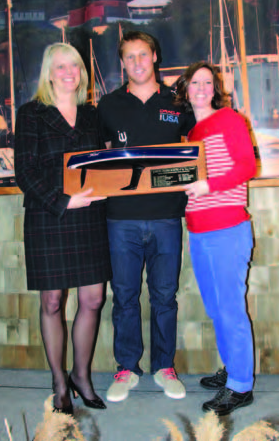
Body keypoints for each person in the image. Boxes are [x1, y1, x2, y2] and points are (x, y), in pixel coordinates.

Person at [97, 31, 195, 402]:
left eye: (143, 54)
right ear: (122, 63)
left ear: (154, 56)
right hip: (120, 218)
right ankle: (126, 368)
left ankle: (164, 366)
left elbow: (195, 152)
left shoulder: (177, 102)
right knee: (123, 296)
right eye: (129, 57)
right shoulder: (107, 106)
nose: (137, 62)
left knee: (165, 296)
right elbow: (102, 157)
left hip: (168, 216)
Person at [14, 43, 112, 414]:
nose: (69, 71)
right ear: (48, 72)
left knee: (93, 300)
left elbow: (104, 162)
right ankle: (59, 382)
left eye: (74, 65)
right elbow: (25, 172)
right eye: (60, 66)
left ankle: (81, 375)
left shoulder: (92, 114)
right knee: (52, 302)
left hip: (89, 219)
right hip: (49, 216)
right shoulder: (31, 114)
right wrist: (64, 200)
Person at [175, 61, 256, 416]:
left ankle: (240, 386)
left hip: (227, 229)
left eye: (209, 82)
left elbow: (247, 166)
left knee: (229, 309)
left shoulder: (230, 119)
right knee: (217, 309)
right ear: (186, 88)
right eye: (196, 82)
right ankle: (232, 367)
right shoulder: (191, 134)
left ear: (216, 88)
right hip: (199, 231)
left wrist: (209, 185)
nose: (202, 87)